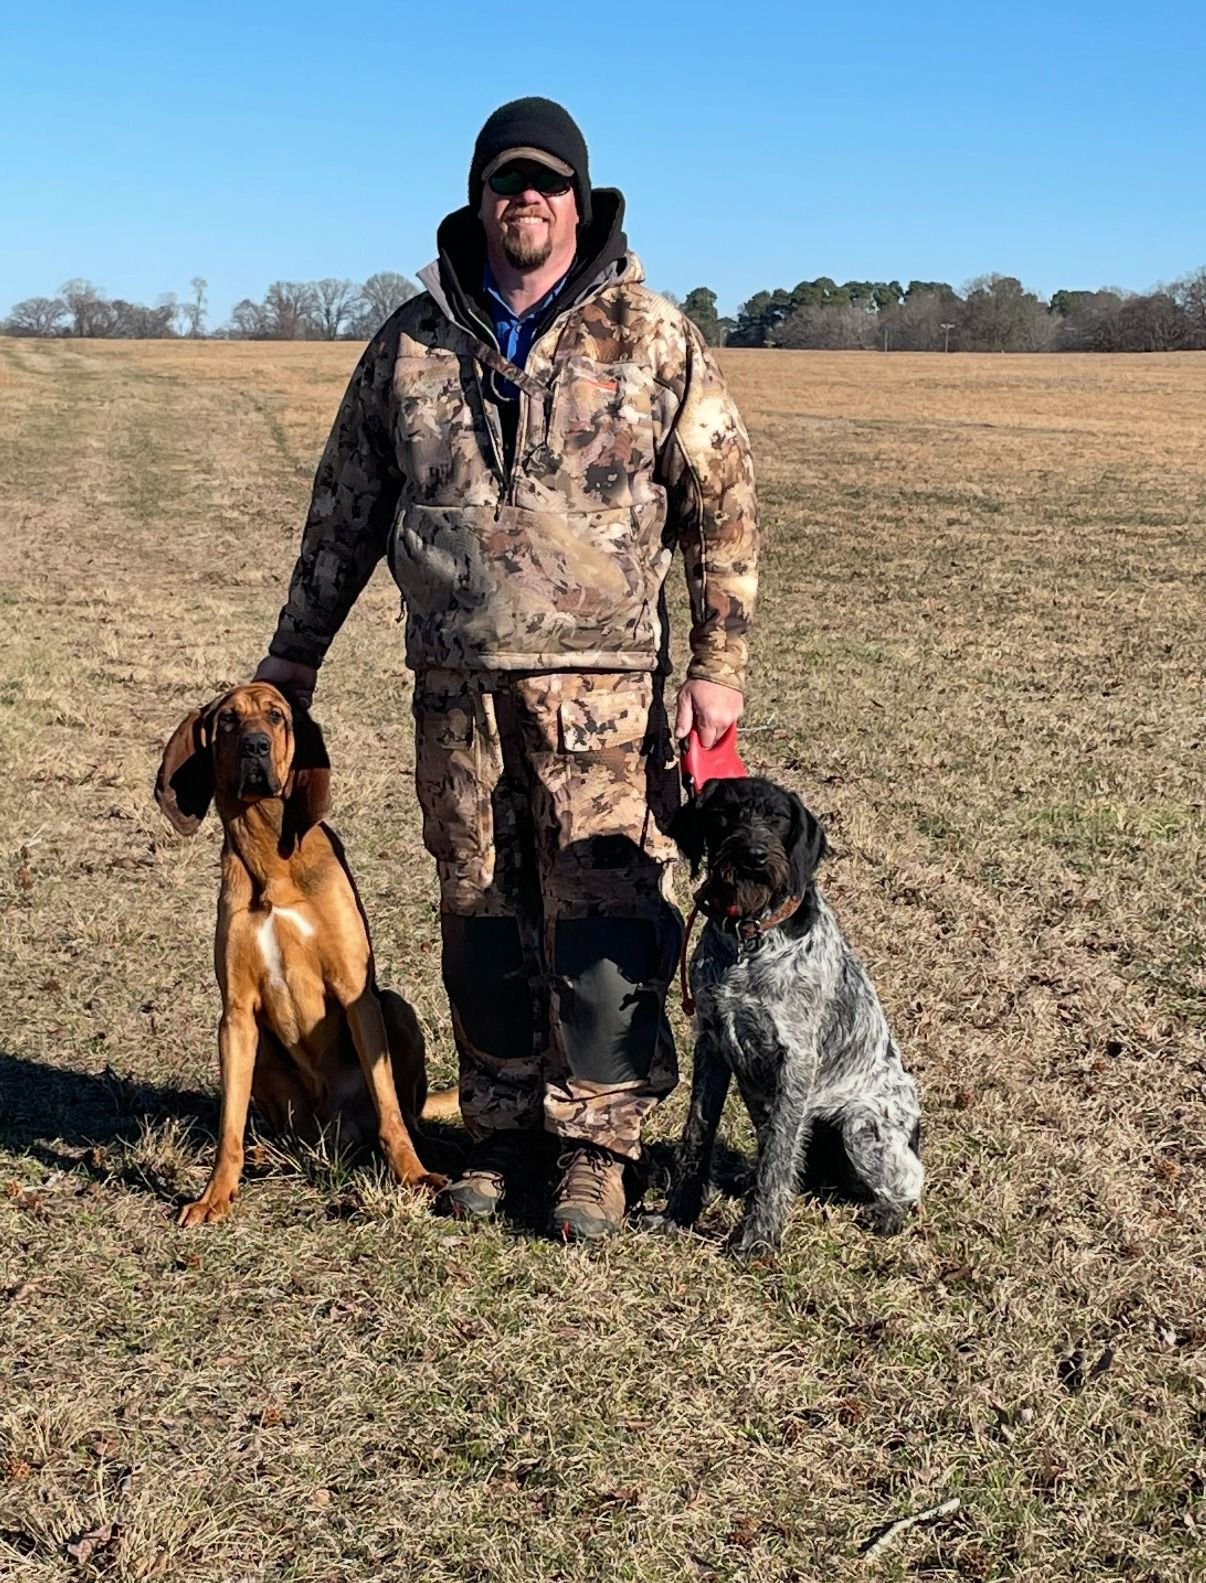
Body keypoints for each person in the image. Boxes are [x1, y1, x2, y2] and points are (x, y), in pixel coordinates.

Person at [255, 97, 759, 1239]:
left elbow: (722, 508)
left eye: (547, 181)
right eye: (506, 180)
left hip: (605, 692)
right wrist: (295, 652)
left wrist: (717, 666)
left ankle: (595, 1148)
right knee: (479, 907)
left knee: (605, 915)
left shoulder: (653, 336)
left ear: (580, 200)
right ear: (479, 197)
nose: (525, 198)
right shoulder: (410, 343)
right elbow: (343, 512)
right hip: (456, 692)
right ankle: (497, 1126)